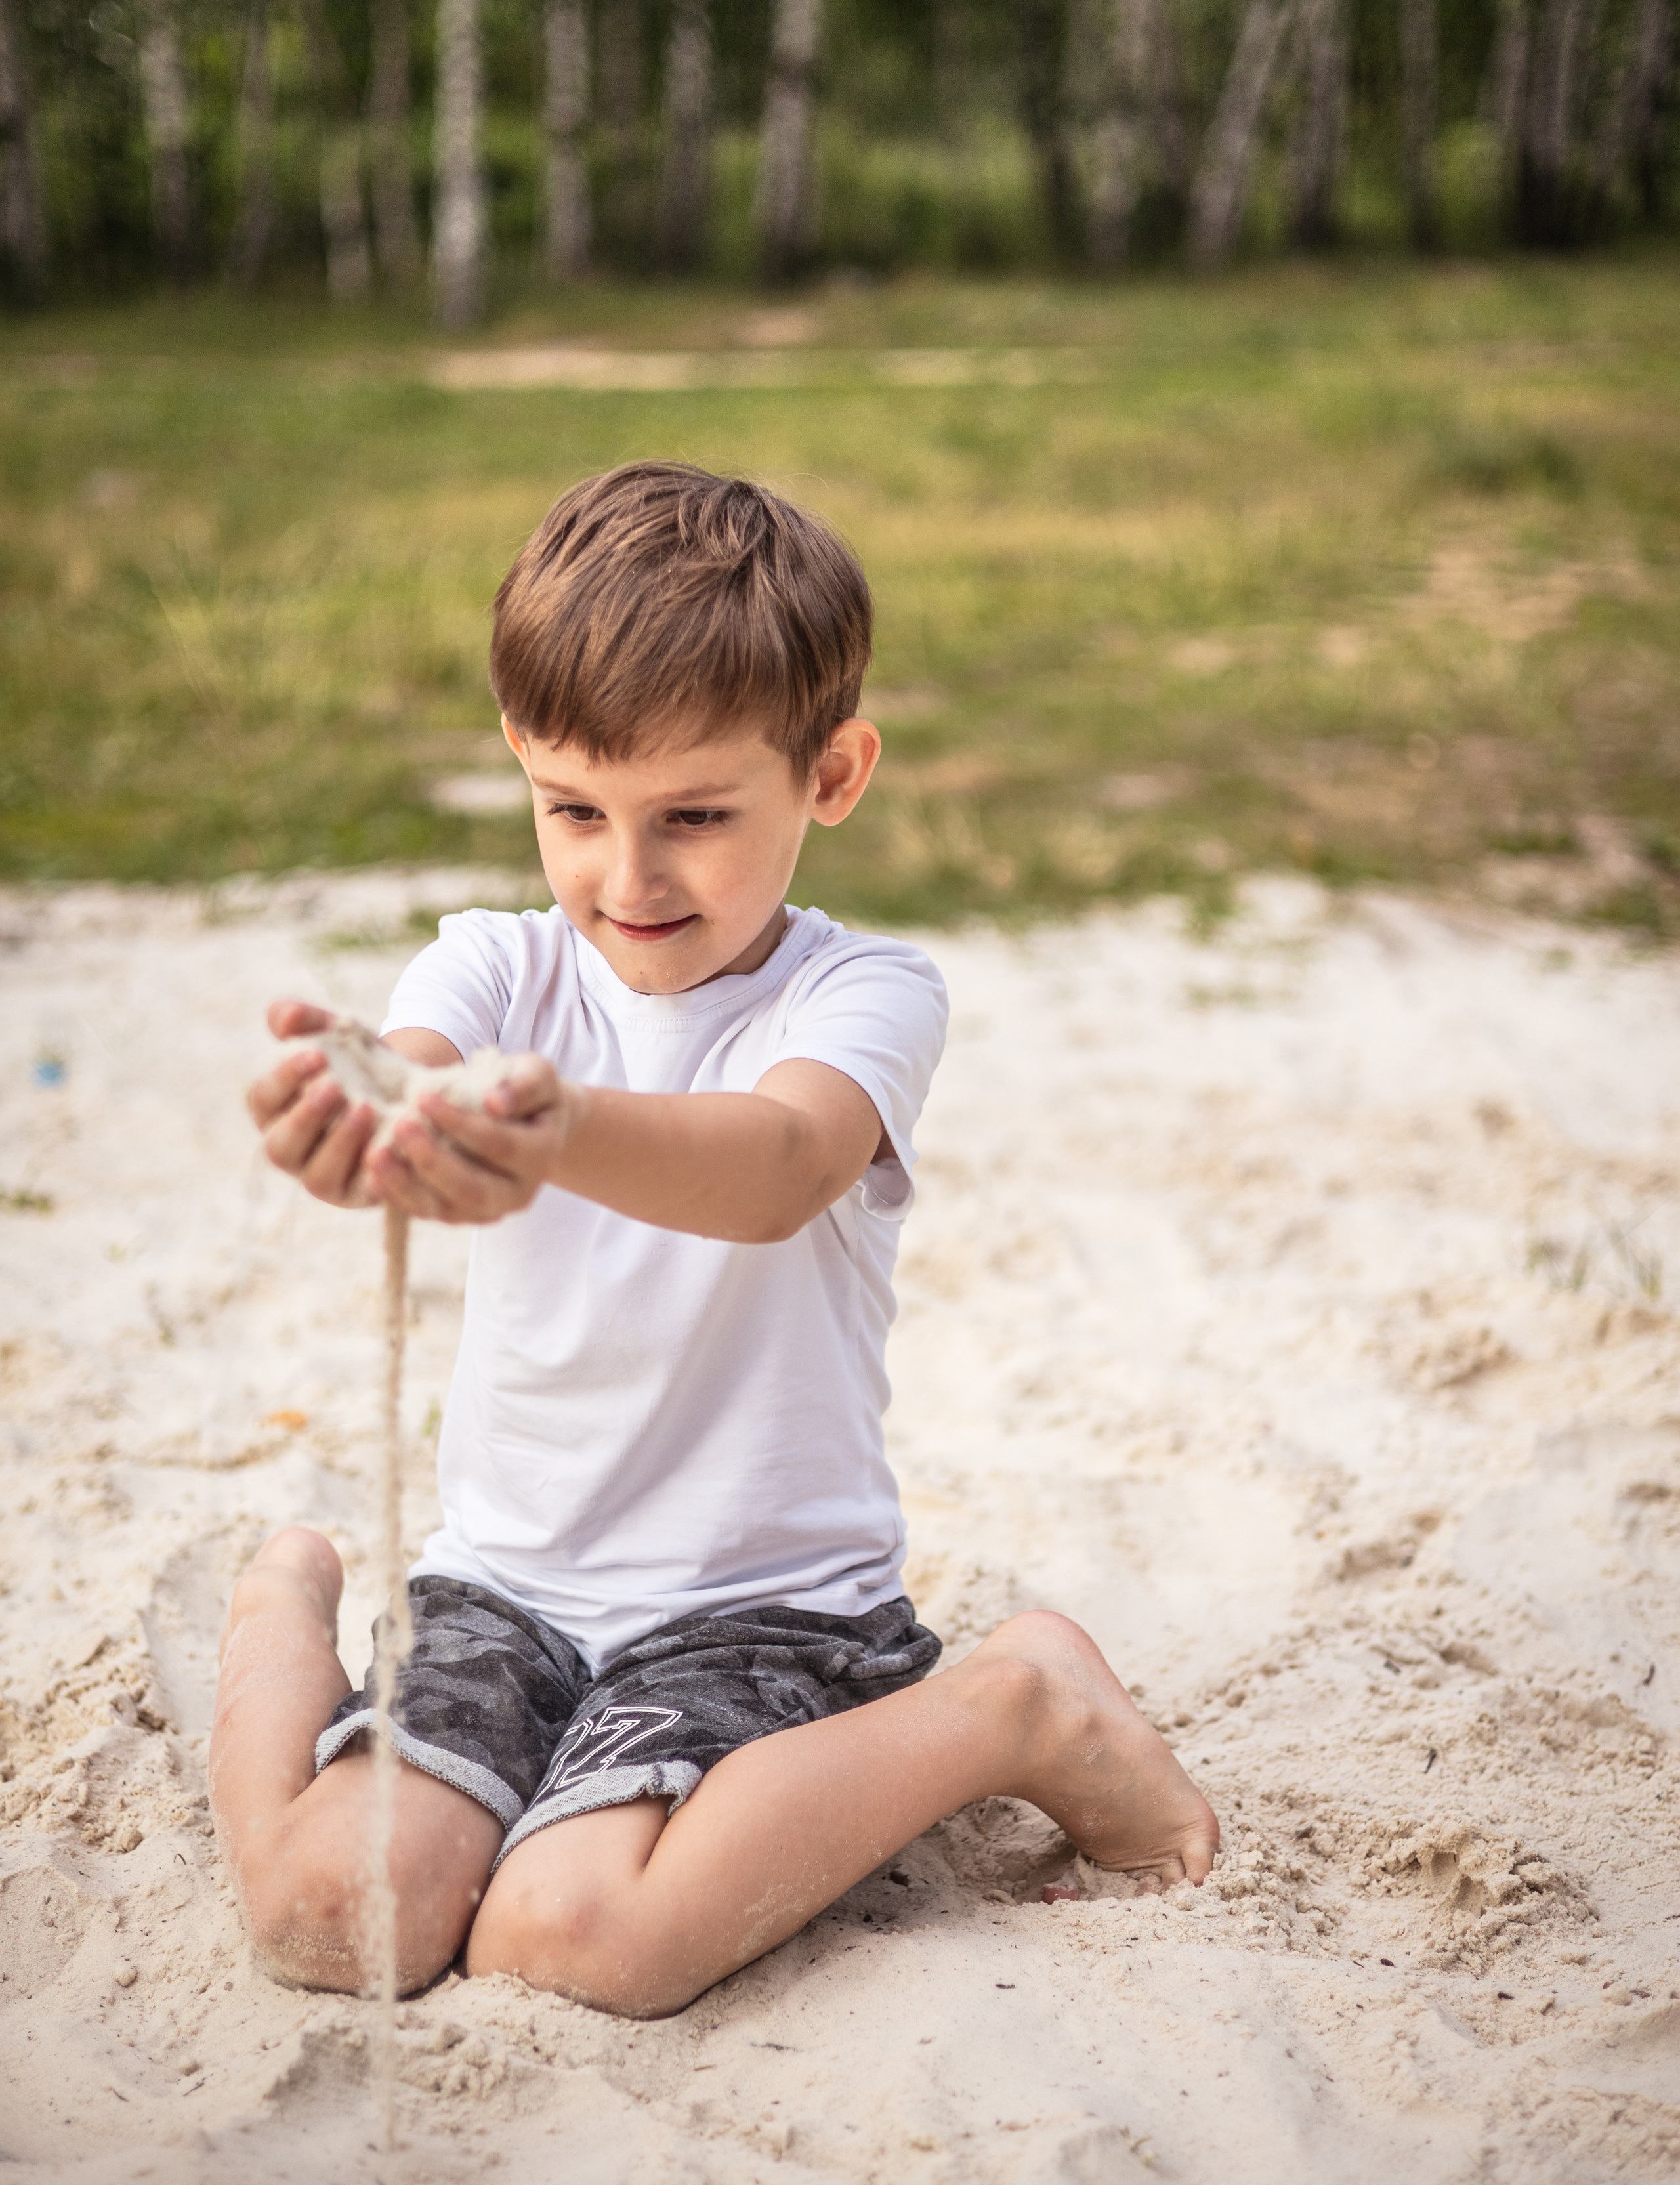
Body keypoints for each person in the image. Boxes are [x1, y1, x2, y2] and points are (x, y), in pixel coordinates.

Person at [212, 462, 1218, 2018]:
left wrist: (550, 1127)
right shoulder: (487, 966)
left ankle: (1017, 1706)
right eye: (574, 811)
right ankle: (283, 1593)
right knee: (330, 1918)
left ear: (832, 772)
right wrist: (357, 1121)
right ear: (520, 767)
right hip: (502, 1590)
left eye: (694, 814)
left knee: (573, 1942)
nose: (629, 878)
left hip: (761, 1609)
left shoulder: (860, 996)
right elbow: (413, 1083)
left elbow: (774, 1166)